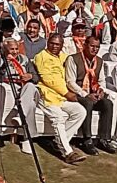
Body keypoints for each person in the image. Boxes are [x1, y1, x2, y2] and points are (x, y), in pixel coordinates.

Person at [33, 33, 88, 164]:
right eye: (52, 43)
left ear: (62, 45)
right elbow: (48, 79)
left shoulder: (64, 57)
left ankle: (59, 143)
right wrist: (67, 93)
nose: (54, 46)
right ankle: (68, 153)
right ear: (47, 43)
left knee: (80, 111)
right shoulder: (41, 56)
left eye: (57, 44)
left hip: (61, 97)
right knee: (58, 118)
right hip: (47, 95)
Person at [65, 35, 117, 155]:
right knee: (88, 102)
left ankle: (104, 139)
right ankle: (87, 140)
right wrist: (85, 94)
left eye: (97, 47)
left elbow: (101, 81)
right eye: (92, 46)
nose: (95, 49)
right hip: (77, 94)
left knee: (107, 103)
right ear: (85, 46)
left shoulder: (99, 61)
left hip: (93, 93)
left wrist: (101, 90)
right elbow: (70, 82)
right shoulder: (73, 59)